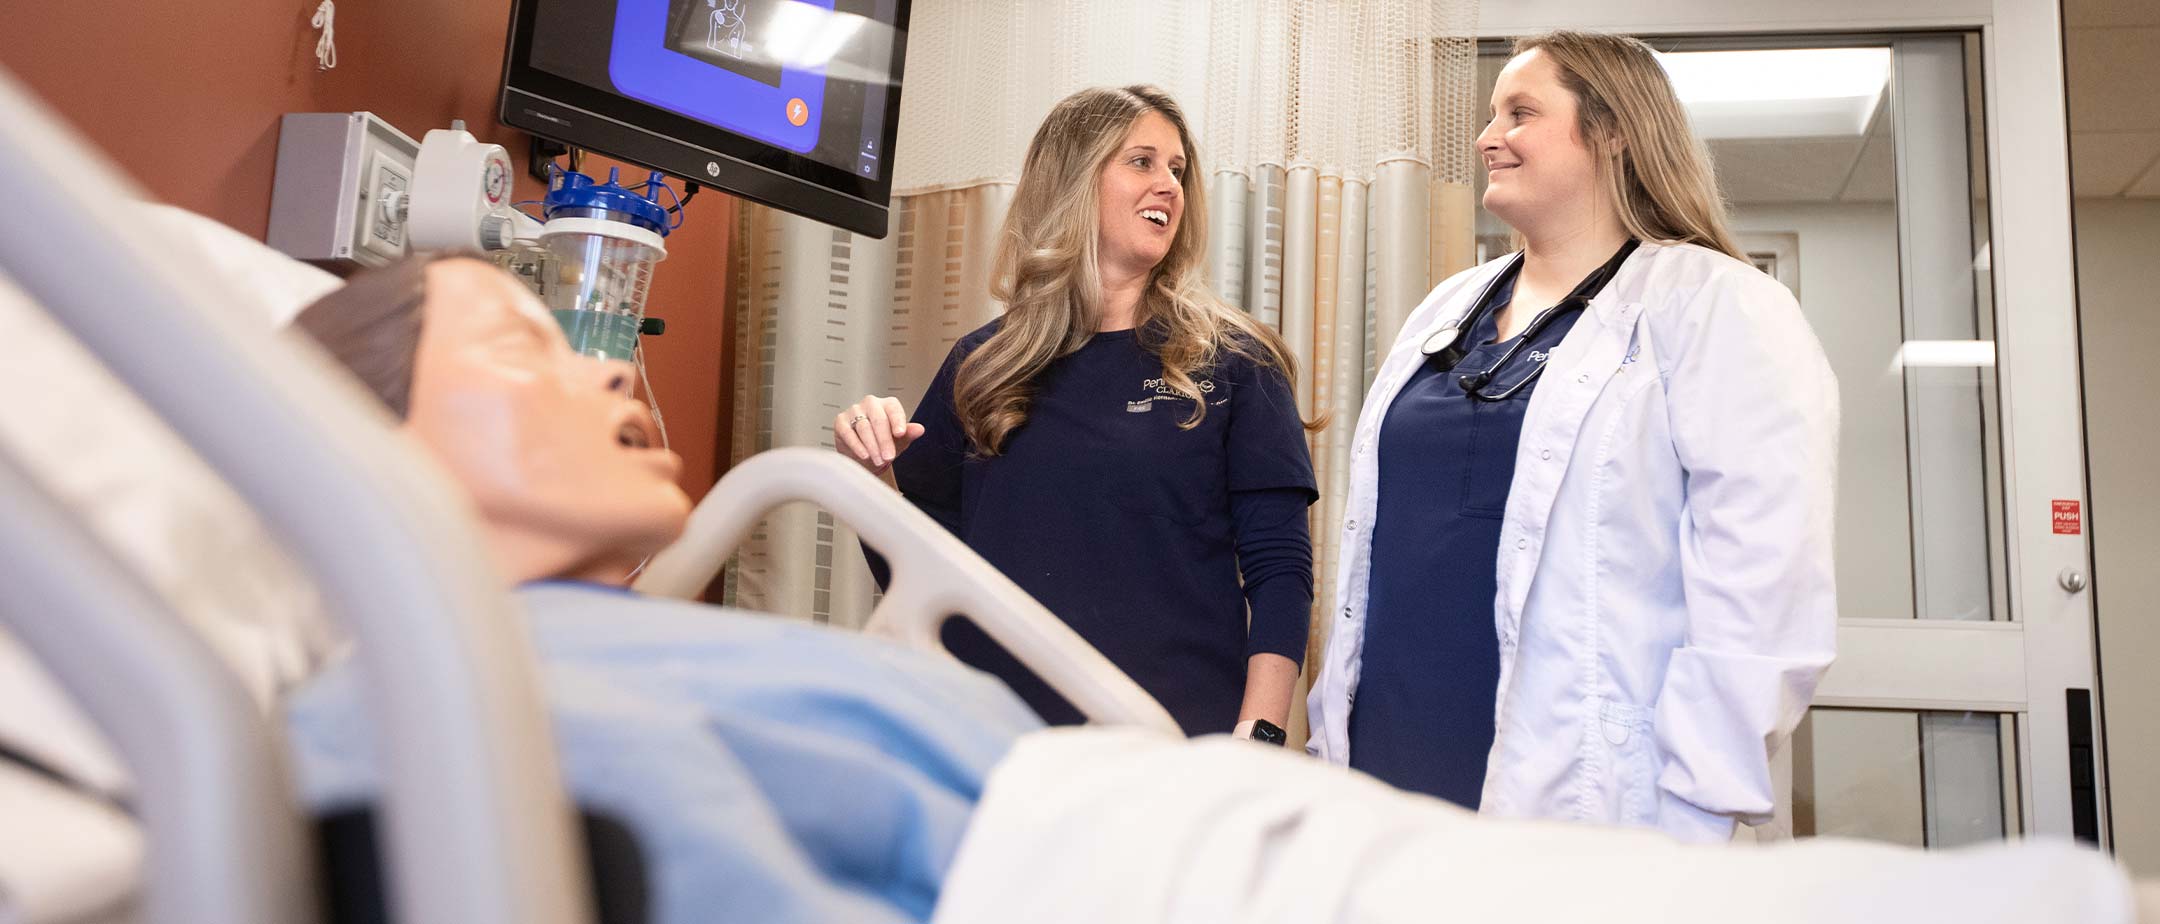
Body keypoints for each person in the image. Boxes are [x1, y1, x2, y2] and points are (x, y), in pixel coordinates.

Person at [1306, 30, 1841, 842]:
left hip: (1590, 793)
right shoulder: (1445, 310)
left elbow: (1765, 589)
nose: (1489, 138)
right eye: (1492, 116)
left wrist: (1690, 804)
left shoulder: (1716, 308)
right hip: (1386, 762)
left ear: (1615, 129)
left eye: (1521, 113)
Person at [833, 86, 1319, 739]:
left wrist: (1258, 734)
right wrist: (871, 478)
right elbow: (921, 576)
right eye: (1142, 162)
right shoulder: (983, 365)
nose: (1170, 186)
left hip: (1171, 744)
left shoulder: (1234, 361)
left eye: (1177, 169)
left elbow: (1280, 568)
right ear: (1072, 178)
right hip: (995, 739)